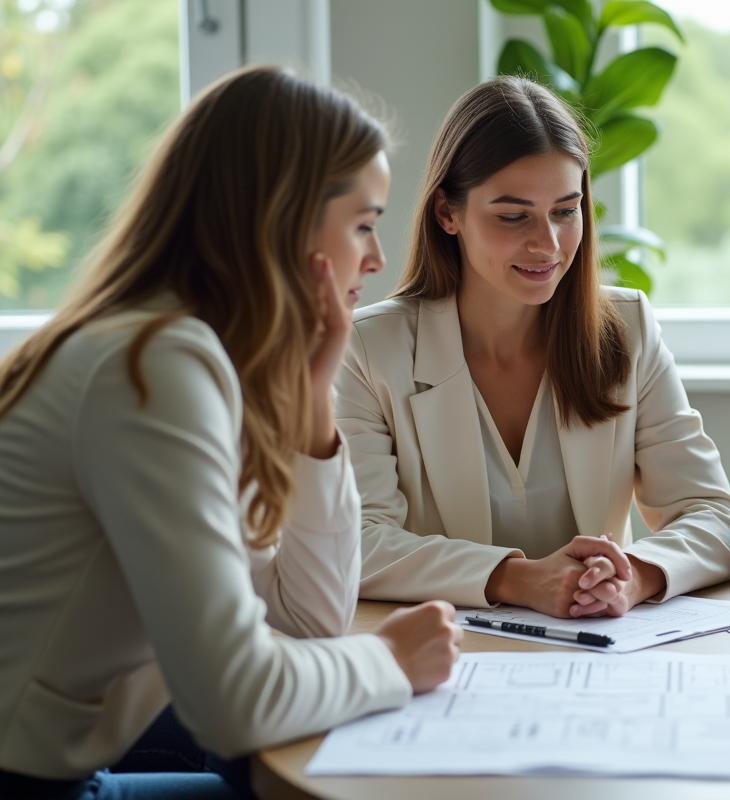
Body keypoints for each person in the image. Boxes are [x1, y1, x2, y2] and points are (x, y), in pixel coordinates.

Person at [0, 66, 462, 799]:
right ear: (284, 220)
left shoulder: (186, 352)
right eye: (365, 224)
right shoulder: (153, 367)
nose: (375, 259)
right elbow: (234, 699)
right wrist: (389, 663)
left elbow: (309, 620)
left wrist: (316, 402)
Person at [335, 76, 730, 619]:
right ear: (447, 214)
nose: (547, 244)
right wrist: (519, 579)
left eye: (565, 210)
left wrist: (630, 578)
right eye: (513, 216)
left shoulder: (628, 328)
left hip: (599, 654)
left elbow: (714, 516)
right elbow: (354, 542)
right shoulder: (368, 349)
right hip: (450, 656)